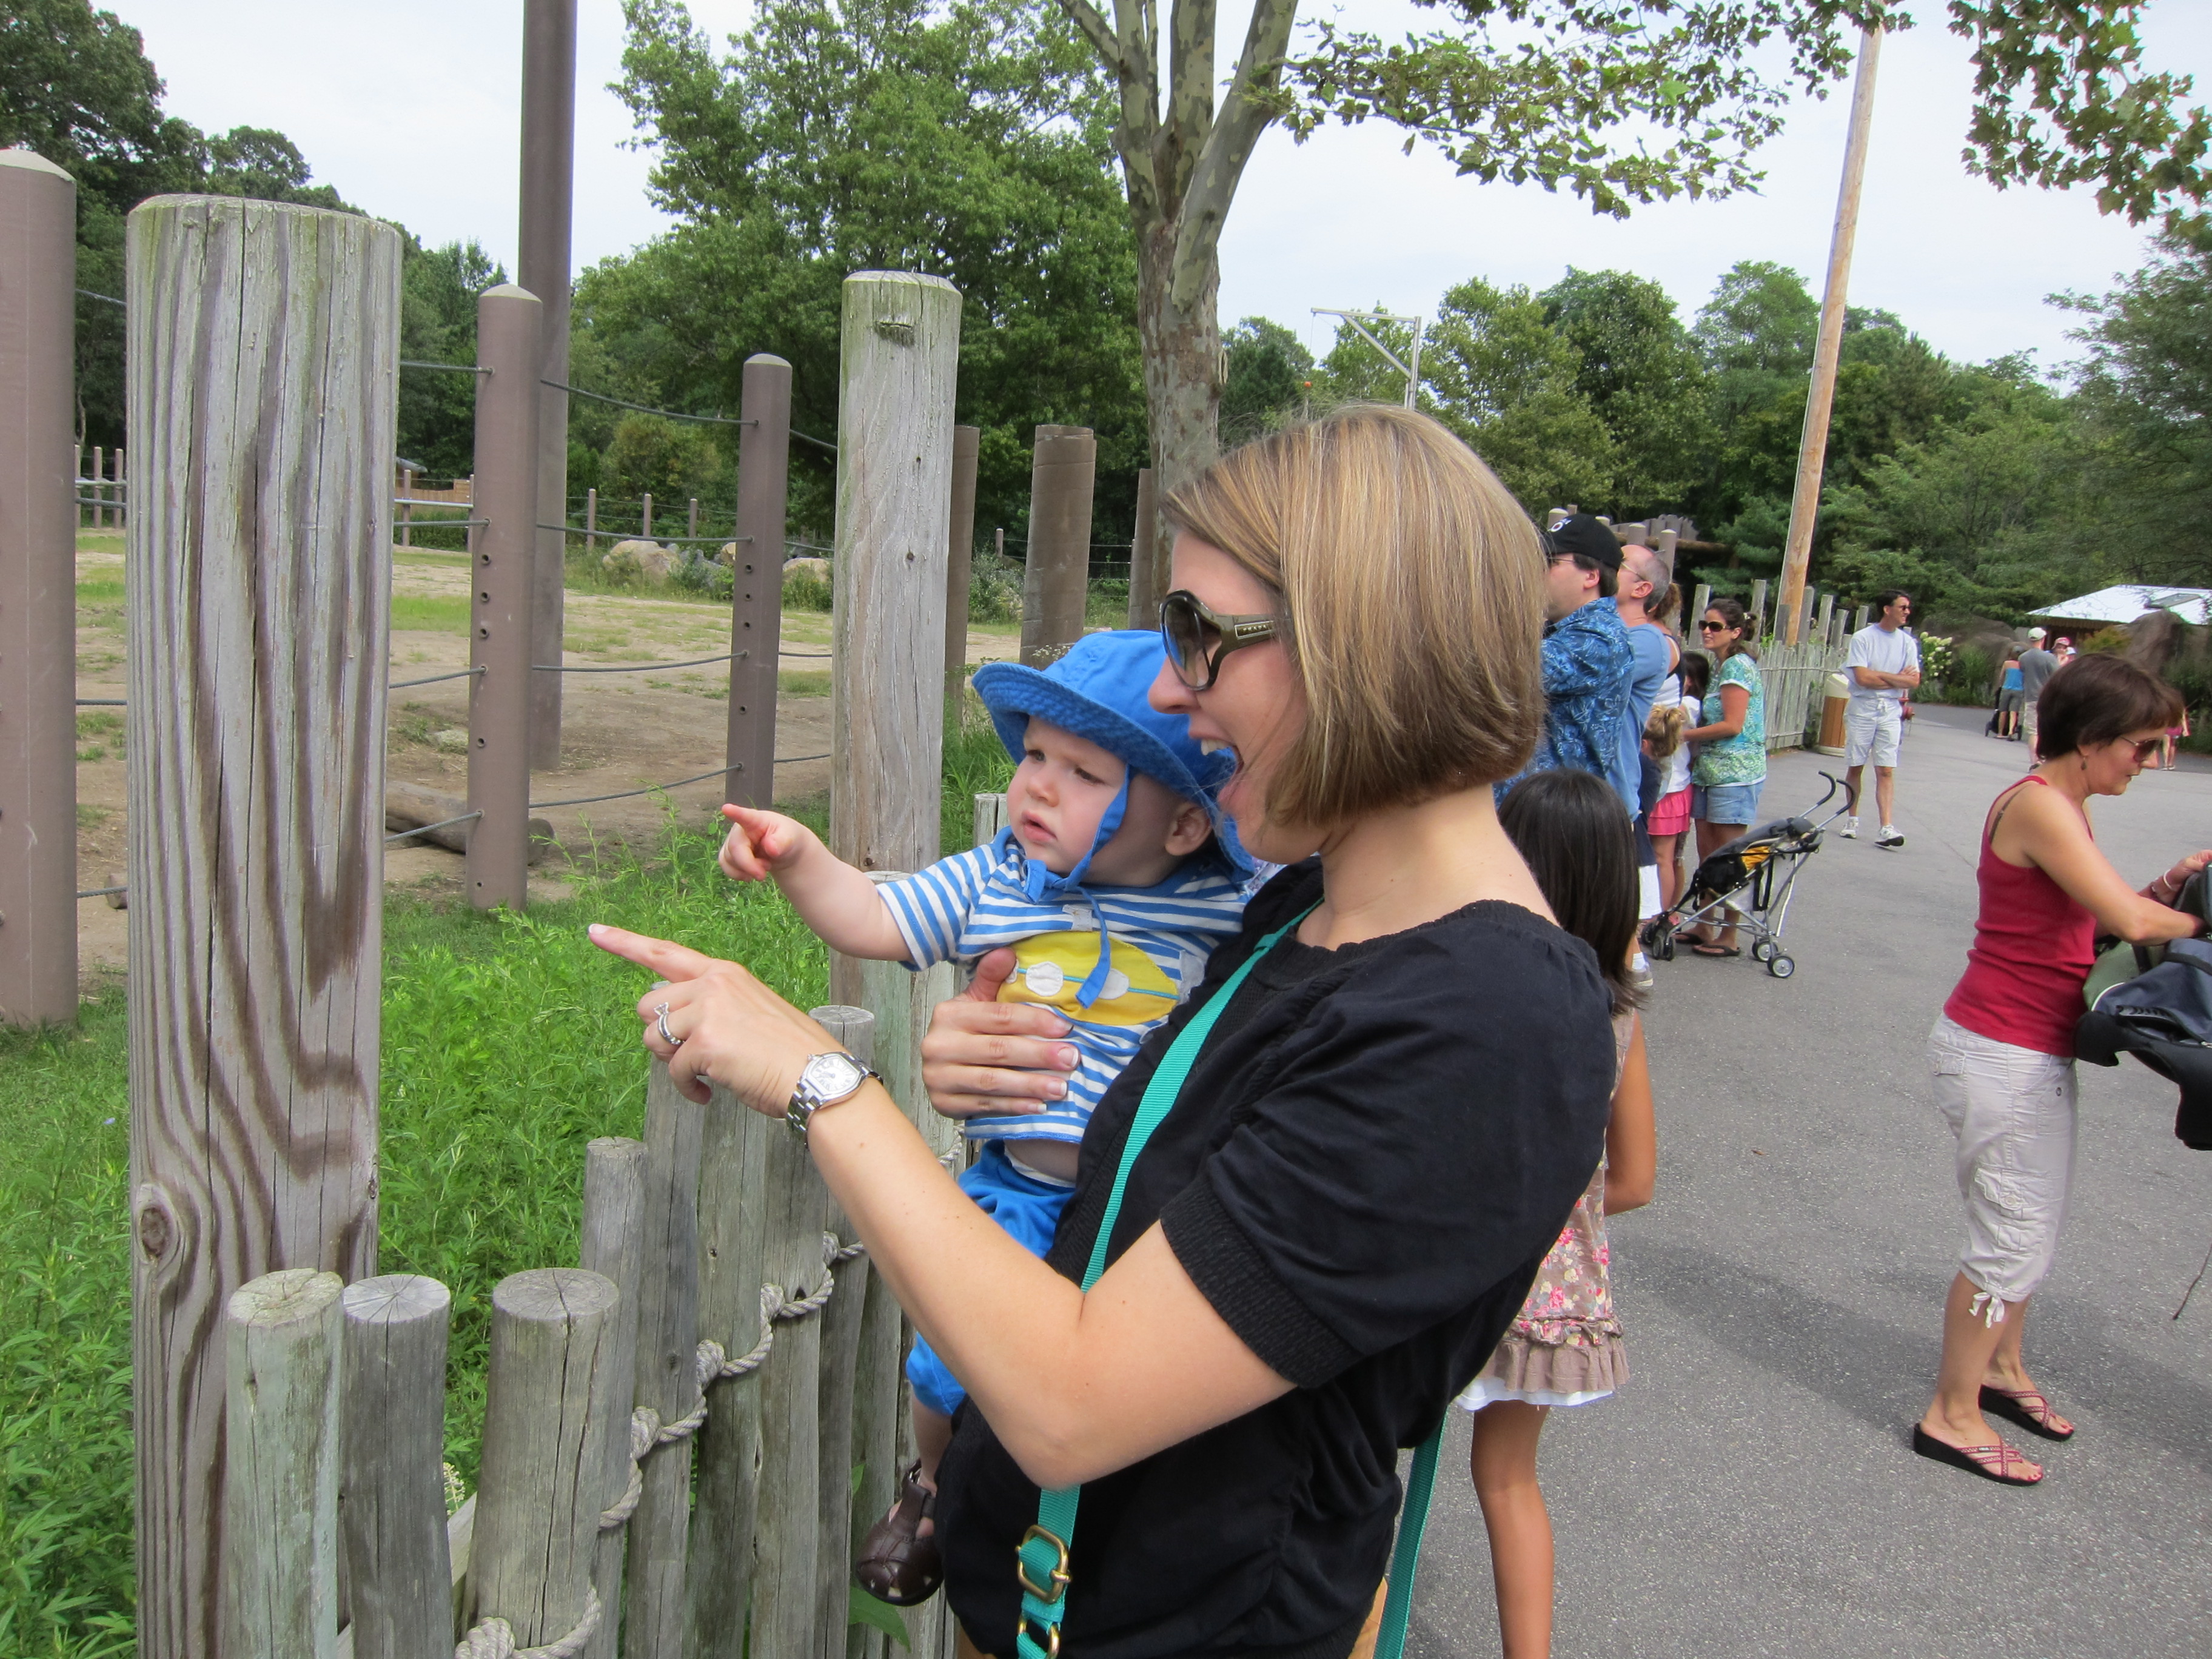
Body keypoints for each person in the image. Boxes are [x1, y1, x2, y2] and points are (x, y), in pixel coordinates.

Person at [594, 405, 1616, 1659]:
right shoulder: (1312, 908)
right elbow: (1183, 1187)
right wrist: (990, 1064)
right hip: (1045, 1593)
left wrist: (823, 1084)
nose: (1166, 685)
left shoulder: (1485, 1024)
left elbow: (1076, 1402)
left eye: (1199, 634)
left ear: (1360, 646)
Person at [714, 629, 1253, 1604]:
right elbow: (875, 917)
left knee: (1100, 1392)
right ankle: (928, 1485)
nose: (1037, 785)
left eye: (1084, 772)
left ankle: (1071, 1536)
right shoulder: (999, 880)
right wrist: (800, 859)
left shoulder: (1227, 910)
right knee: (946, 1373)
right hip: (1015, 1189)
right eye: (1035, 755)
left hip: (1145, 1218)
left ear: (1183, 825)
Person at [1915, 653, 2212, 1486]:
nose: (2151, 764)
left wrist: (2172, 888)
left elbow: (2098, 922)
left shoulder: (2065, 806)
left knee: (2032, 1225)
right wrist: (2190, 916)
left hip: (2024, 1045)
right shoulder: (2042, 807)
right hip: (2000, 1049)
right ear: (2090, 740)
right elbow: (2122, 915)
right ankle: (1951, 1412)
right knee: (2007, 1236)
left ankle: (2000, 1371)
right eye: (2142, 747)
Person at [1458, 767, 1657, 1659]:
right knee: (1507, 1482)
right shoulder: (1617, 1012)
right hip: (1547, 1289)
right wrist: (1561, 1215)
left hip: (1437, 1270)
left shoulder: (1466, 993)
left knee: (1354, 1466)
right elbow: (1637, 1178)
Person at [1514, 512, 1635, 813]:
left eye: (1551, 562)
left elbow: (1502, 673)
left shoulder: (1599, 638)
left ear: (1591, 576)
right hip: (1539, 809)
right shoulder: (1560, 631)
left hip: (1557, 818)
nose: (1536, 571)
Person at [1681, 598, 1766, 957]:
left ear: (1735, 632)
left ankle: (1730, 933)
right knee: (1706, 852)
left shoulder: (1738, 667)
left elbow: (1733, 724)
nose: (1707, 631)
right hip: (1710, 771)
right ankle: (1704, 923)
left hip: (1735, 772)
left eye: (1715, 626)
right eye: (1704, 624)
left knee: (1732, 855)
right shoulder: (1720, 667)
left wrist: (1683, 735)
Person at [1615, 544, 1680, 978]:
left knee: (1620, 962)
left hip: (1616, 796)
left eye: (1616, 562)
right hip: (1582, 797)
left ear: (1642, 588)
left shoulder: (1653, 642)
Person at [1838, 589, 1921, 849]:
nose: (1907, 612)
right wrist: (1895, 678)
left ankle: (1886, 826)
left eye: (1908, 608)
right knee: (1856, 764)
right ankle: (1852, 819)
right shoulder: (1863, 638)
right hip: (1863, 707)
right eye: (1903, 607)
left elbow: (1914, 681)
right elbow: (1862, 678)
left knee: (1886, 768)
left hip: (1890, 709)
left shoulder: (1907, 642)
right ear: (1887, 609)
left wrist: (1881, 677)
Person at [2017, 628, 2059, 756]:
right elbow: (2057, 676)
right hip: (2048, 698)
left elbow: (2023, 673)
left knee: (2033, 732)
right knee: (2046, 730)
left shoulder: (2023, 658)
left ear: (2030, 640)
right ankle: (2045, 756)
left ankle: (2035, 761)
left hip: (2030, 697)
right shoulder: (2050, 658)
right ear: (2043, 639)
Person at [1993, 647, 2024, 740]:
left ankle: (2000, 733)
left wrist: (2000, 685)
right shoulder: (2023, 665)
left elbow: (2002, 676)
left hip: (2006, 689)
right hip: (2019, 690)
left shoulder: (2007, 664)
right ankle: (2011, 731)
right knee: (2013, 712)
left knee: (2003, 712)